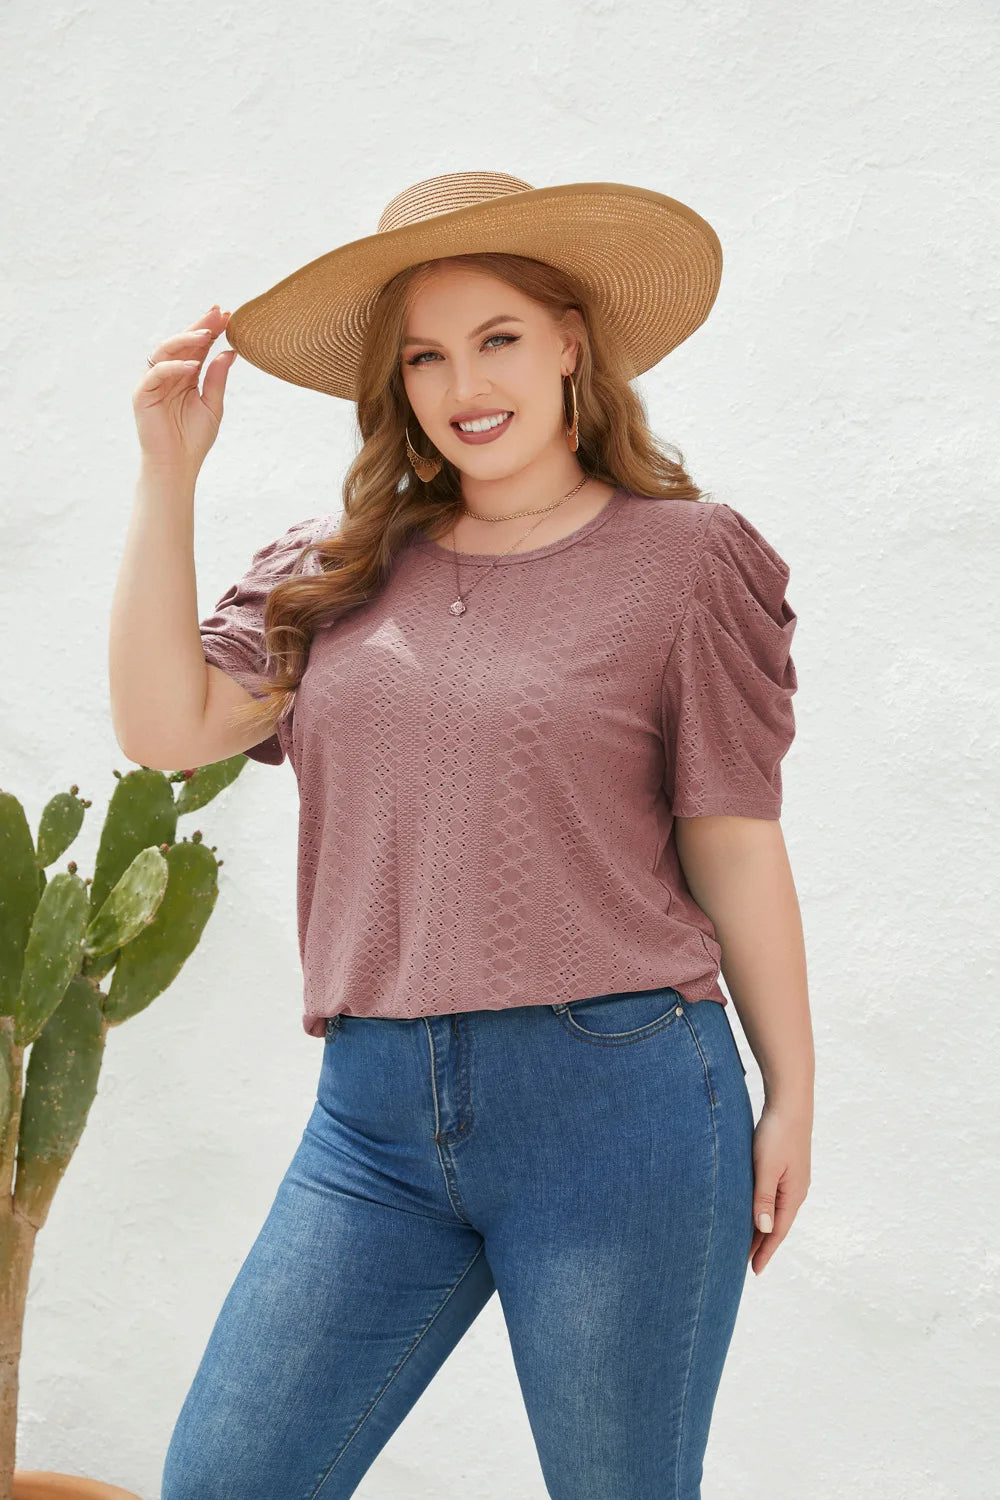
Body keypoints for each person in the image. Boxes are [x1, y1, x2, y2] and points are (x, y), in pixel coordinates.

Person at [115, 171, 814, 1500]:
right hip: (371, 1121)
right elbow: (166, 727)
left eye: (498, 338)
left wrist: (794, 1094)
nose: (463, 384)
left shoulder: (684, 558)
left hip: (620, 1105)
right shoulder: (336, 565)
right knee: (224, 1481)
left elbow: (733, 839)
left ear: (571, 343)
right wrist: (168, 474)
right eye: (425, 355)